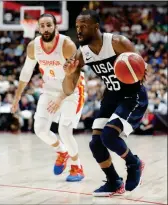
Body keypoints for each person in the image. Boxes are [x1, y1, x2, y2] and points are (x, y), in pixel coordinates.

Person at [62, 10, 148, 196]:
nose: (79, 30)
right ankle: (114, 182)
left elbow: (141, 68)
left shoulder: (117, 42)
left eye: (83, 26)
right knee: (96, 143)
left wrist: (138, 70)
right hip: (111, 97)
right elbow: (68, 89)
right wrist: (70, 74)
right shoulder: (82, 53)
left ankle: (134, 163)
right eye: (77, 27)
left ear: (95, 26)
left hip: (132, 95)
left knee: (109, 135)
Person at [11, 14, 85, 182]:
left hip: (72, 91)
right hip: (49, 89)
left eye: (49, 25)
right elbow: (26, 72)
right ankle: (62, 151)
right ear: (38, 28)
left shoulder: (66, 45)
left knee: (64, 130)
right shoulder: (33, 46)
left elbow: (74, 76)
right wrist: (16, 97)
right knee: (40, 129)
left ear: (55, 26)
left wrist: (61, 98)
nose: (45, 29)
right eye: (42, 26)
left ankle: (77, 167)